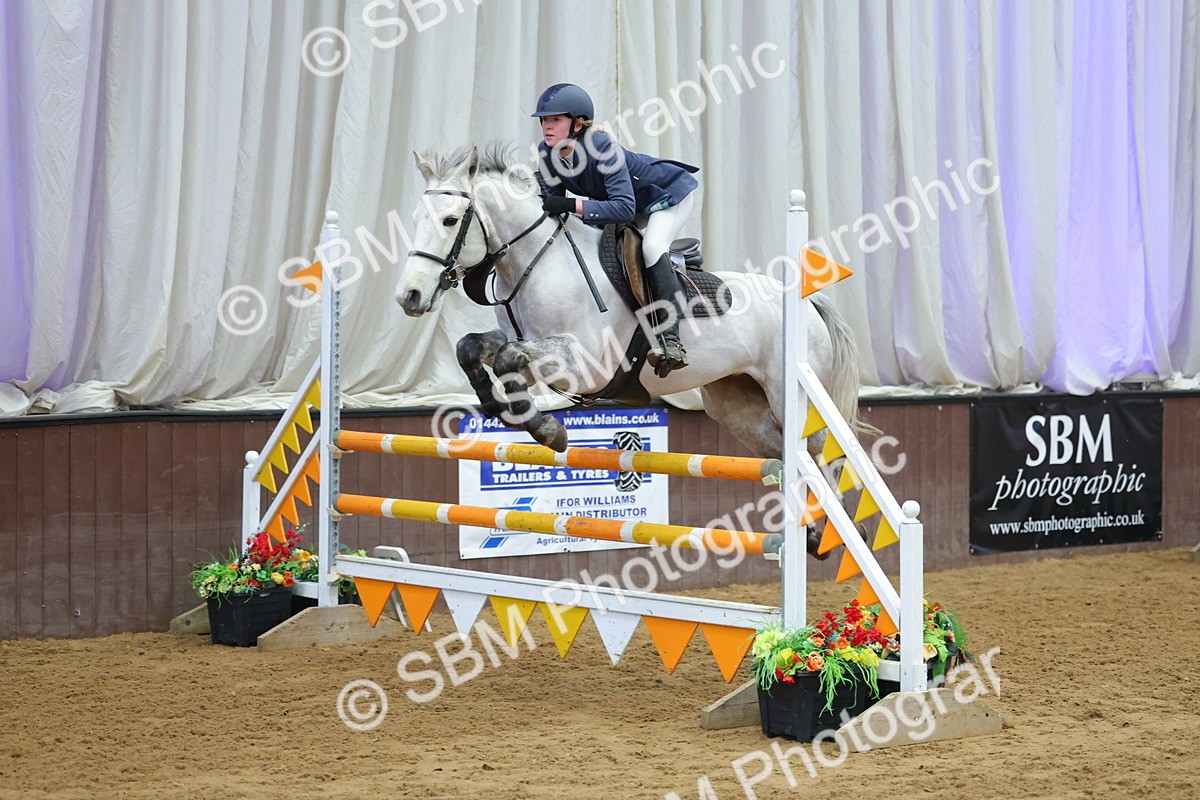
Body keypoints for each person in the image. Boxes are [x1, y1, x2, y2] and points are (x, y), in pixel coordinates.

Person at [531, 82, 698, 378]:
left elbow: (621, 207)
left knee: (652, 247)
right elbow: (552, 204)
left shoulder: (603, 149)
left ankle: (671, 341)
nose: (547, 126)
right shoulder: (547, 153)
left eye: (556, 119)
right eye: (544, 120)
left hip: (666, 198)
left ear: (579, 124)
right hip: (629, 206)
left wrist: (570, 204)